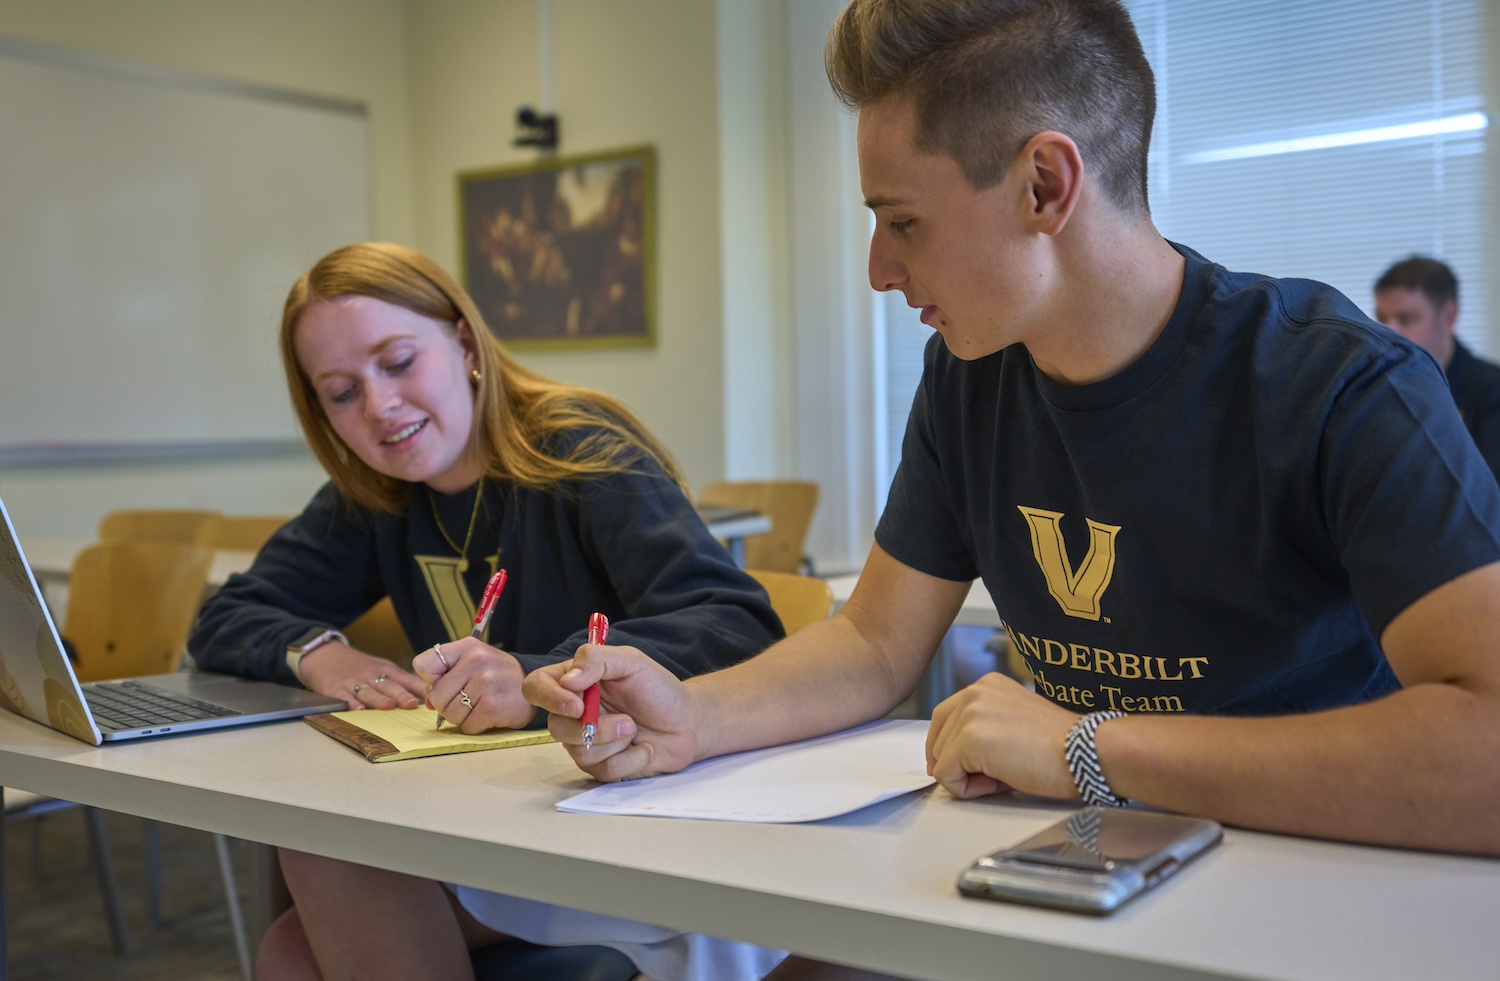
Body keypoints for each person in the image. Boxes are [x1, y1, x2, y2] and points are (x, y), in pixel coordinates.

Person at [523, 3, 1500, 979]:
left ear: (1045, 184)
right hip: (1071, 878)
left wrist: (1089, 748)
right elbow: (872, 644)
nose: (878, 269)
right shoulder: (971, 374)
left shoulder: (1340, 389)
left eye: (903, 221)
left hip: (1313, 906)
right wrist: (692, 718)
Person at [187, 242, 788, 980]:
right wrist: (322, 654)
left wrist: (534, 678)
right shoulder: (379, 490)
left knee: (321, 868)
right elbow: (224, 616)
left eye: (398, 361)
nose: (379, 407)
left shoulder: (582, 452)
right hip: (489, 806)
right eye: (341, 393)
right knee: (291, 933)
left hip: (621, 799)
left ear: (465, 343)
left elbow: (737, 622)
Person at [1373, 255, 1500, 479]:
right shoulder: (1376, 390)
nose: (1388, 334)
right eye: (1382, 319)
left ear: (1449, 316)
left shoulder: (1492, 392)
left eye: (1406, 319)